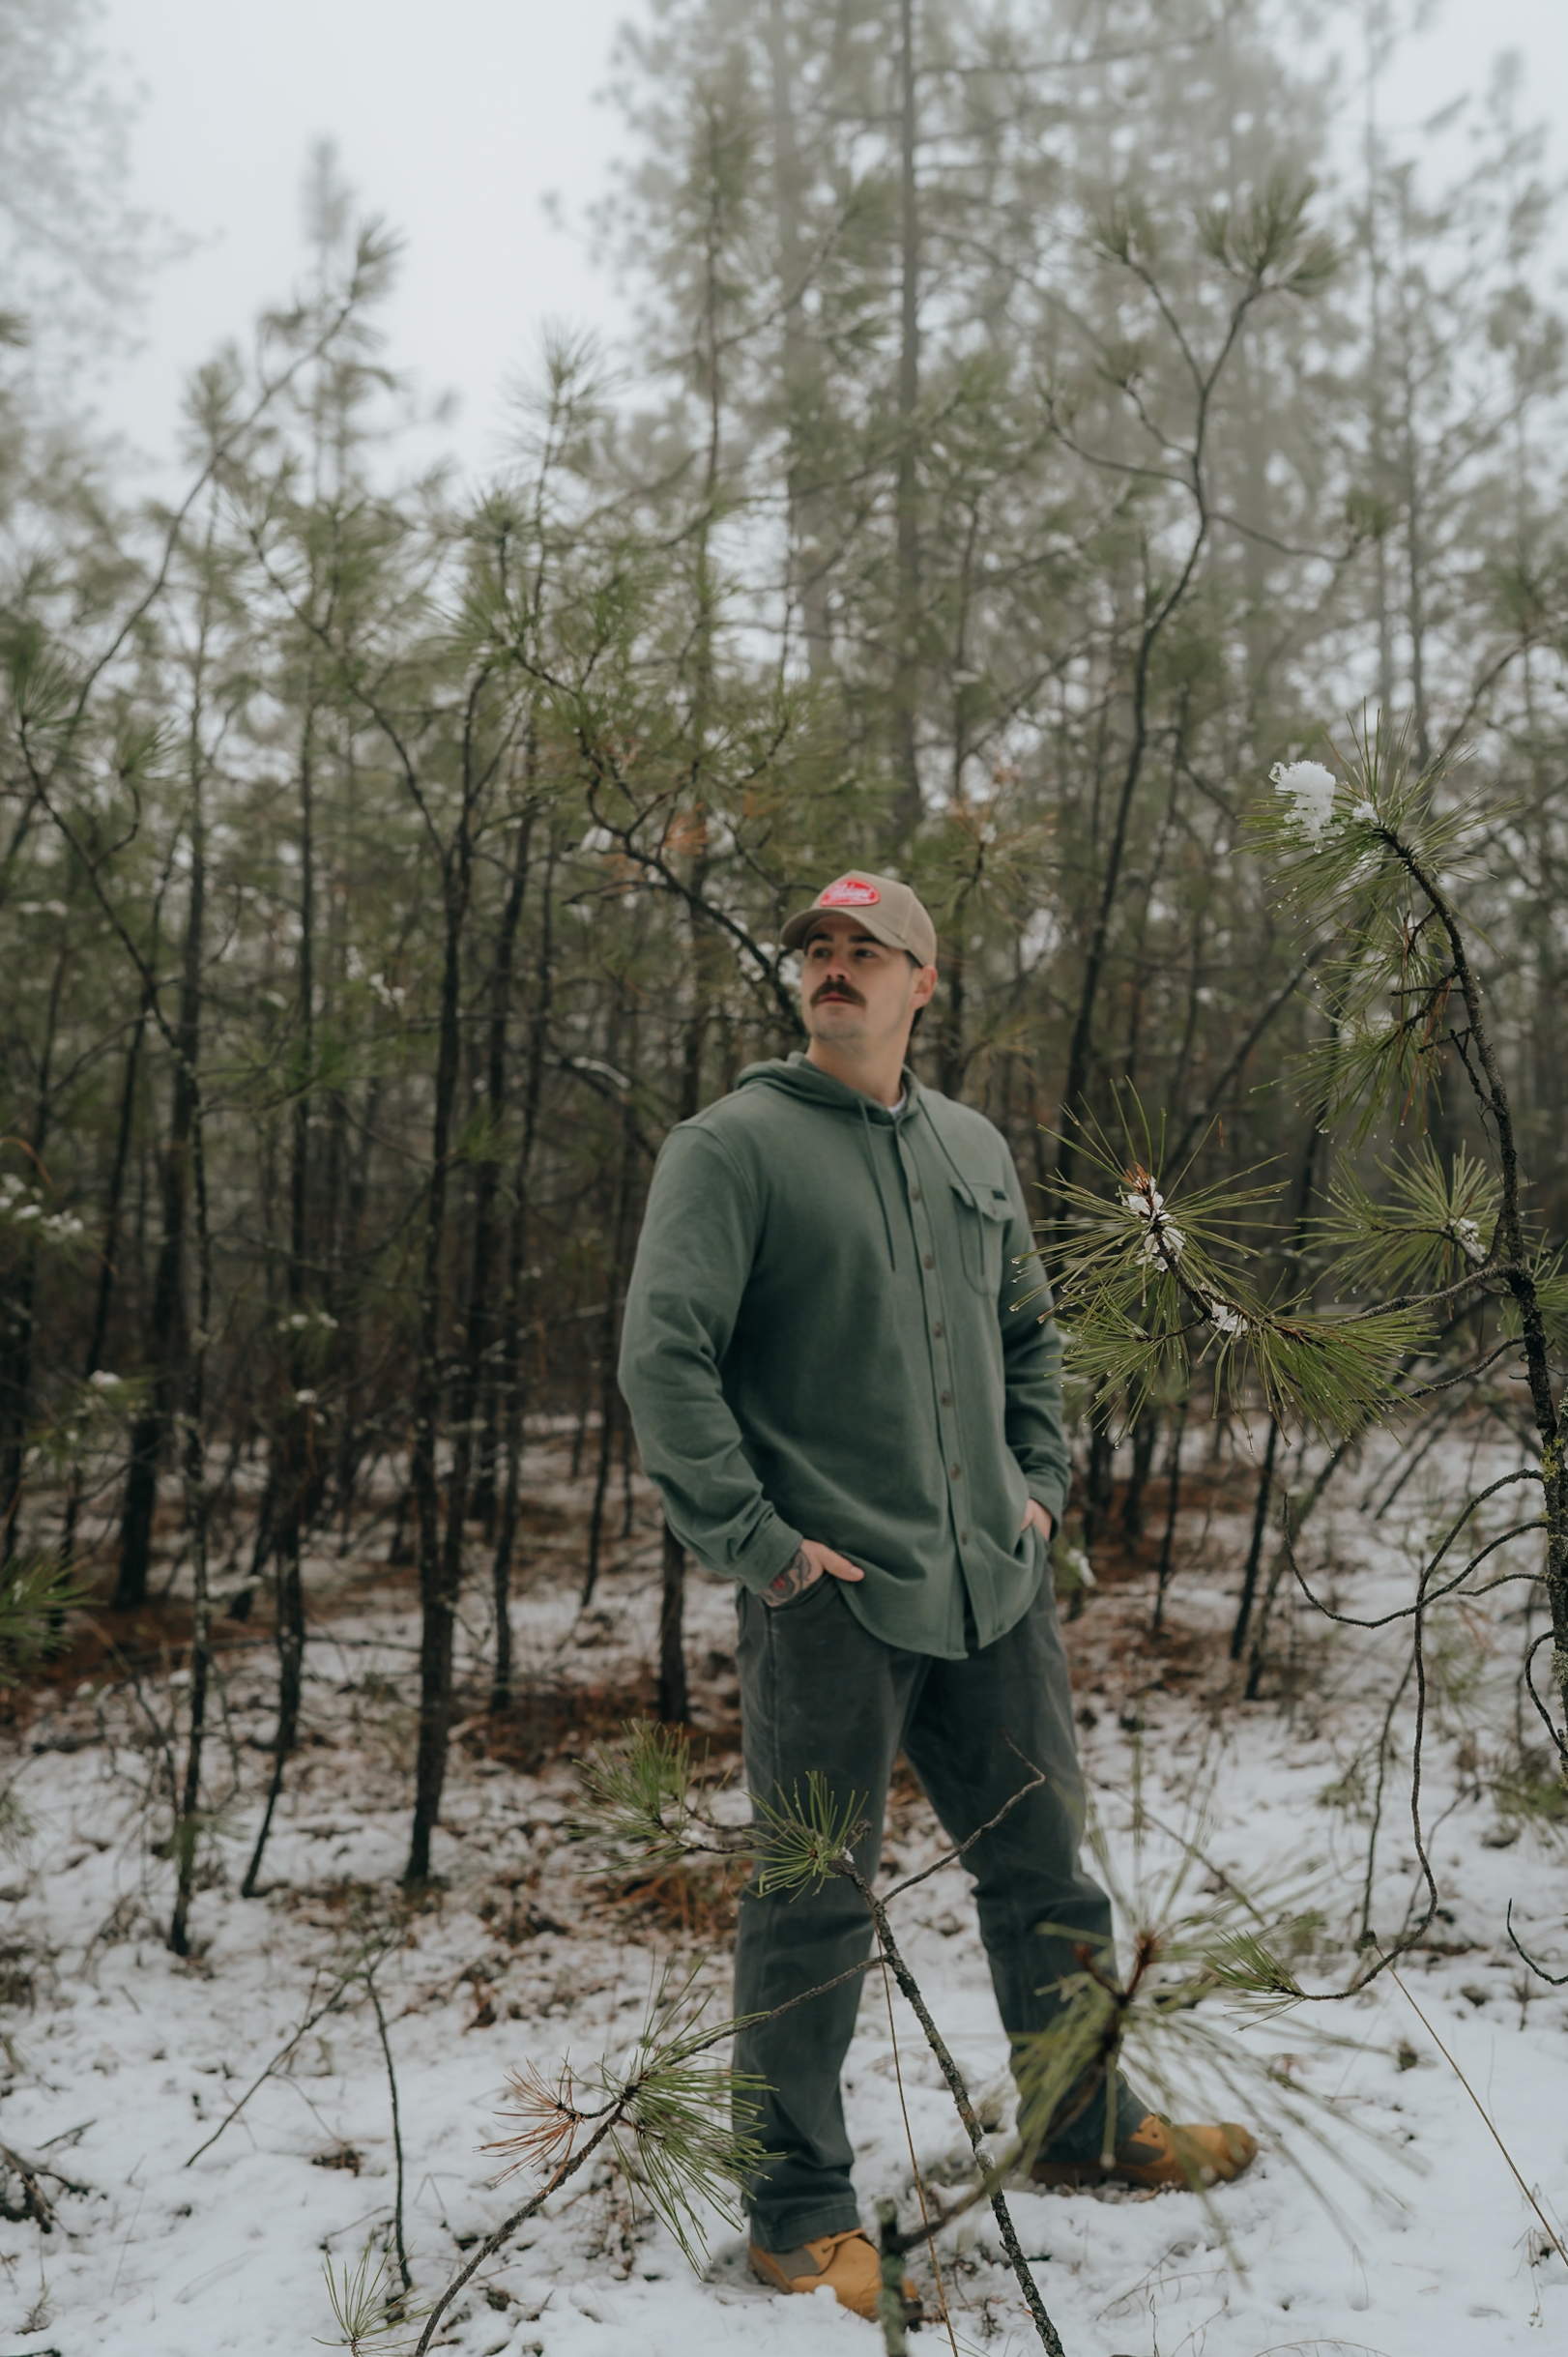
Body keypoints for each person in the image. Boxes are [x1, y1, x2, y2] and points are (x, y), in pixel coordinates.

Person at [619, 869, 1256, 2322]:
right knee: (812, 1900)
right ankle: (796, 2214)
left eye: (867, 948)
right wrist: (764, 1544)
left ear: (923, 979)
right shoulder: (730, 1148)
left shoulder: (971, 1146)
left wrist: (1038, 1486)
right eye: (817, 948)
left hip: (993, 1584)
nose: (834, 967)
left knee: (1046, 1871)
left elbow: (1029, 1337)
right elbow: (665, 1358)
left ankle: (1082, 2119)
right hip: (833, 1598)